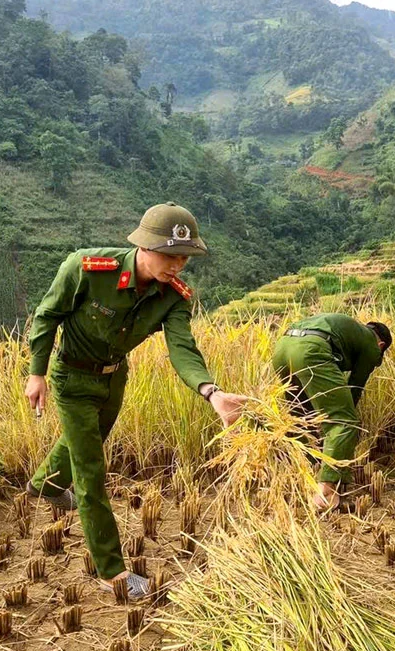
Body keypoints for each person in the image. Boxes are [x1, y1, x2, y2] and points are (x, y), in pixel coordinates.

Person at [24, 202, 246, 597]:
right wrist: (36, 372)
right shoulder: (88, 268)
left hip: (114, 378)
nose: (177, 265)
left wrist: (211, 393)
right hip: (73, 377)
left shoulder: (174, 297)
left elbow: (183, 349)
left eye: (184, 257)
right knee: (91, 472)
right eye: (170, 255)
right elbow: (47, 315)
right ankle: (113, 573)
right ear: (143, 246)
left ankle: (43, 484)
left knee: (86, 442)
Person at [272, 313, 392, 511]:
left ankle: (301, 480)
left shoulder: (352, 329)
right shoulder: (372, 345)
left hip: (282, 349)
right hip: (311, 351)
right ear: (381, 346)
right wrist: (339, 429)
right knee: (344, 422)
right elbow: (355, 388)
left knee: (303, 419)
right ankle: (327, 494)